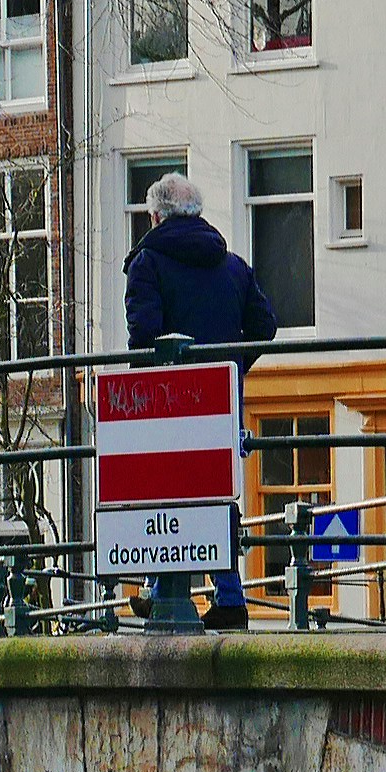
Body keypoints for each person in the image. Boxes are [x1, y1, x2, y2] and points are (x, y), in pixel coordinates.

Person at [120, 172, 279, 629]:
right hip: (222, 399)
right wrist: (231, 367)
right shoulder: (232, 264)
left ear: (156, 215)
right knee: (219, 492)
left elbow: (143, 337)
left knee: (165, 490)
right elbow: (264, 326)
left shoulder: (147, 262)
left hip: (170, 400)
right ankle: (228, 598)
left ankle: (162, 589)